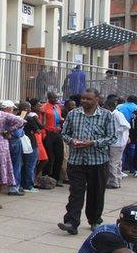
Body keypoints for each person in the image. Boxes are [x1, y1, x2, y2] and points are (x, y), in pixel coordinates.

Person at [57, 89, 116, 235]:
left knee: (96, 192)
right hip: (76, 161)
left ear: (97, 99)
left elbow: (112, 137)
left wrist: (93, 143)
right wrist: (72, 141)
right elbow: (64, 134)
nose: (84, 101)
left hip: (98, 161)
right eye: (83, 98)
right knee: (76, 192)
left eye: (88, 99)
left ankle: (95, 220)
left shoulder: (106, 115)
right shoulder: (73, 114)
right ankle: (71, 222)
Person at [17, 101, 42, 193]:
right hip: (30, 143)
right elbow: (38, 130)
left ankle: (21, 184)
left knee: (22, 165)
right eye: (29, 108)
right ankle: (28, 185)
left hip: (20, 143)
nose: (30, 109)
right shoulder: (30, 118)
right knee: (30, 165)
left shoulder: (17, 117)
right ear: (26, 109)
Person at [2, 101, 26, 196]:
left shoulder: (0, 116)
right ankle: (13, 188)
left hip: (4, 142)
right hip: (14, 142)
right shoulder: (12, 118)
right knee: (16, 165)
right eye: (12, 108)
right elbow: (18, 134)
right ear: (8, 108)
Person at [105, 97, 130, 190]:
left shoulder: (117, 114)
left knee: (112, 163)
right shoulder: (113, 114)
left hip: (117, 142)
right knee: (118, 162)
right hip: (117, 142)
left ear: (110, 107)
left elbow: (126, 126)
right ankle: (117, 180)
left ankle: (113, 182)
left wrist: (114, 131)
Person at [40, 92, 65, 186]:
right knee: (49, 157)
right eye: (54, 98)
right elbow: (41, 122)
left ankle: (56, 178)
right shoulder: (43, 108)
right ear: (49, 98)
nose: (56, 99)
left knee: (59, 156)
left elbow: (58, 118)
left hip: (58, 133)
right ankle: (46, 177)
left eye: (57, 98)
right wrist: (44, 135)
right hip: (49, 134)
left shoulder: (57, 107)